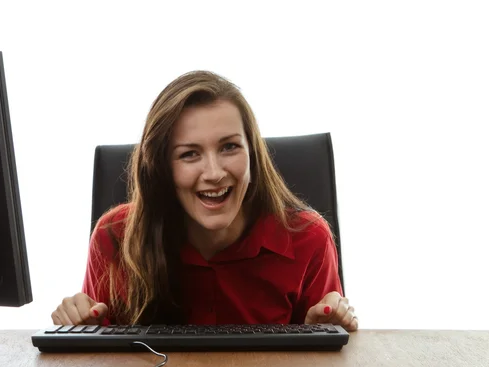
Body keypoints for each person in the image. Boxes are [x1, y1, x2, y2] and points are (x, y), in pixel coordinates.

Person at [52, 71, 358, 332]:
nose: (214, 173)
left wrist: (325, 330)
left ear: (253, 155)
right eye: (189, 154)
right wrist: (79, 325)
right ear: (162, 167)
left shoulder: (309, 238)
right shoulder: (114, 236)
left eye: (229, 147)